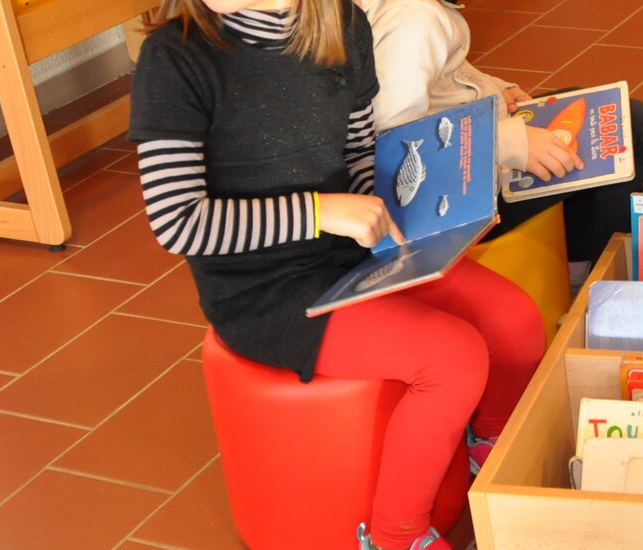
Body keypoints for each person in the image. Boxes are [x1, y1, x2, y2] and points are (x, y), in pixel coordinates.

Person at [130, 1, 545, 547]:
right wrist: (323, 212)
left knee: (515, 321)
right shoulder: (174, 59)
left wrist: (410, 217)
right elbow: (178, 223)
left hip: (348, 248)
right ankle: (397, 536)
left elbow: (354, 158)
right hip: (265, 291)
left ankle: (487, 453)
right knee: (453, 357)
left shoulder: (343, 24)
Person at [357, 0, 643, 288]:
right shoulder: (413, 19)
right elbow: (397, 149)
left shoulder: (416, 12)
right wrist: (508, 141)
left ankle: (578, 260)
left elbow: (446, 76)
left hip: (473, 153)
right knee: (637, 135)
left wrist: (497, 88)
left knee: (609, 119)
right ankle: (634, 279)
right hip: (457, 197)